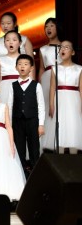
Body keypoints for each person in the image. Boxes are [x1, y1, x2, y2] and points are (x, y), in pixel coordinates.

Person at [7, 54, 45, 174]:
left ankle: (35, 173)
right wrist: (9, 124)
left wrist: (41, 124)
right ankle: (20, 173)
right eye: (19, 64)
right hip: (17, 121)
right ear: (16, 67)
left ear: (31, 68)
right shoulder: (13, 85)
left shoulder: (36, 85)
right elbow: (9, 106)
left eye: (25, 64)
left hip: (32, 121)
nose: (22, 66)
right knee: (19, 148)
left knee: (34, 147)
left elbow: (41, 106)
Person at [48, 41, 82, 153]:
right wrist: (51, 104)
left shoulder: (79, 69)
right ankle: (60, 155)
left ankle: (74, 156)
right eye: (61, 47)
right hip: (59, 99)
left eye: (66, 47)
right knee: (60, 125)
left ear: (73, 52)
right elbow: (52, 87)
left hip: (74, 100)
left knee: (73, 125)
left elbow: (81, 88)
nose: (63, 49)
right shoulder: (55, 68)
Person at [38, 18, 61, 150]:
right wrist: (39, 85)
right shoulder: (43, 49)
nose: (48, 29)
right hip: (47, 78)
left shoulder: (65, 46)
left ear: (58, 28)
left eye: (52, 26)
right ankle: (47, 143)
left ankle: (60, 141)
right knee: (47, 107)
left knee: (61, 106)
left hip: (62, 77)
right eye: (46, 26)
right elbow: (41, 68)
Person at [0, 31, 24, 104]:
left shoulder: (25, 59)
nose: (11, 42)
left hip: (21, 86)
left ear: (20, 43)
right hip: (4, 88)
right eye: (7, 40)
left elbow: (30, 79)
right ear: (4, 43)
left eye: (14, 40)